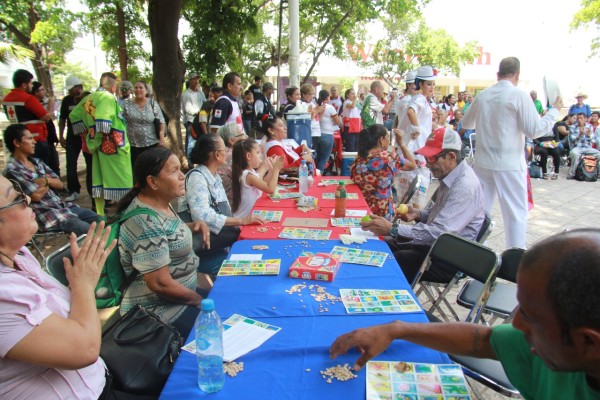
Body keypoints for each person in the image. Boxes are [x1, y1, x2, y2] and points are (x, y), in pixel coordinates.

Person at [331, 228, 600, 400]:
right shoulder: (553, 344)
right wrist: (396, 329)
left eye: (530, 317)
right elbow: (481, 340)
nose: (515, 323)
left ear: (588, 342)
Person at [0, 182, 117, 400]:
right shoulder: (3, 296)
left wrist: (80, 281)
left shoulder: (20, 256)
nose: (27, 199)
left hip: (100, 381)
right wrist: (83, 283)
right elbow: (85, 349)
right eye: (16, 198)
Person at [461, 57, 563, 248]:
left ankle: (470, 258)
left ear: (498, 75)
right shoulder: (518, 95)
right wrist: (554, 113)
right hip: (509, 164)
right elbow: (534, 129)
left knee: (478, 214)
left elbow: (466, 123)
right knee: (515, 214)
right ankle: (515, 260)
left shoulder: (484, 95)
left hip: (483, 162)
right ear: (517, 75)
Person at [360, 128, 484, 283]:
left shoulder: (464, 186)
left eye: (431, 159)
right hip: (433, 248)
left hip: (447, 259)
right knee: (377, 245)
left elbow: (440, 233)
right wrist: (419, 214)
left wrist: (393, 228)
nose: (427, 165)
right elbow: (438, 214)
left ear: (451, 157)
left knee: (392, 261)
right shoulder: (451, 176)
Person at [116, 147, 210, 337]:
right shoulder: (146, 223)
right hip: (161, 311)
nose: (182, 176)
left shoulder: (159, 203)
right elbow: (160, 283)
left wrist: (192, 225)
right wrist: (198, 300)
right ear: (152, 182)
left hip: (183, 293)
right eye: (174, 171)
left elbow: (166, 232)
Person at [182, 134, 265, 274]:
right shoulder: (197, 177)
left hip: (220, 243)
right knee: (249, 268)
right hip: (206, 250)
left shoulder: (213, 175)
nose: (227, 151)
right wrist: (240, 221)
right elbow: (201, 215)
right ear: (217, 154)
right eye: (224, 149)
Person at [3, 124, 100, 235]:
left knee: (101, 220)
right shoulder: (12, 170)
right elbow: (35, 196)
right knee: (89, 230)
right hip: (48, 216)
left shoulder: (37, 162)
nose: (34, 142)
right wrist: (49, 181)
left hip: (63, 208)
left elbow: (60, 184)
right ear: (16, 143)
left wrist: (45, 181)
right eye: (29, 138)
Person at [69, 72, 133, 216]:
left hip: (97, 148)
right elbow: (103, 121)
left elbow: (74, 115)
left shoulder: (89, 98)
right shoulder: (106, 97)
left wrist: (89, 134)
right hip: (115, 146)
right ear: (113, 86)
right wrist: (100, 135)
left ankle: (100, 216)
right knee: (123, 180)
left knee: (99, 180)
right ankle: (125, 214)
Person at [351, 124, 415, 220]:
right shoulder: (388, 157)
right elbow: (412, 165)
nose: (389, 141)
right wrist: (401, 143)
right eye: (388, 137)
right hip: (383, 212)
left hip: (360, 210)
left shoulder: (359, 158)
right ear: (381, 140)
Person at [2, 69, 52, 165]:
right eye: (30, 83)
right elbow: (46, 118)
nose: (32, 86)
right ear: (24, 85)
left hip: (18, 142)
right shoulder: (28, 98)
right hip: (35, 141)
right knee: (39, 170)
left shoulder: (6, 99)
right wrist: (50, 105)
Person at [231, 138, 283, 218]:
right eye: (258, 153)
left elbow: (264, 184)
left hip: (249, 216)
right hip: (242, 221)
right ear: (248, 156)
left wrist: (271, 169)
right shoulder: (248, 175)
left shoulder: (250, 172)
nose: (260, 157)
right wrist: (276, 170)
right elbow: (270, 189)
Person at [59, 75, 91, 202]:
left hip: (88, 138)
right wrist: (61, 136)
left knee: (91, 167)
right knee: (71, 165)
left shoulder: (89, 98)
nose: (69, 91)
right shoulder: (66, 101)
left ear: (79, 87)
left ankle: (92, 192)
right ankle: (74, 190)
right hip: (72, 138)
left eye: (71, 88)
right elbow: (62, 119)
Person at [122, 80, 165, 167]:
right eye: (136, 87)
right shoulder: (126, 104)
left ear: (146, 90)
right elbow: (118, 119)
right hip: (133, 144)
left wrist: (161, 138)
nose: (138, 90)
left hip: (151, 143)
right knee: (136, 169)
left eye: (141, 87)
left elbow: (161, 121)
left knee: (151, 168)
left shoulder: (152, 103)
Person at [31, 81, 60, 176]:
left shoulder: (46, 101)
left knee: (54, 163)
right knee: (45, 165)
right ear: (35, 92)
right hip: (41, 139)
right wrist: (50, 106)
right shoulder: (33, 104)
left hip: (49, 137)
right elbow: (46, 118)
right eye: (41, 90)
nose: (44, 91)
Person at [216, 123, 248, 204]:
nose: (246, 137)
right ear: (232, 141)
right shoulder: (233, 155)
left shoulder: (223, 153)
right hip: (233, 206)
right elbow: (252, 181)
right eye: (243, 134)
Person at [567, 112, 600, 179]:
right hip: (577, 147)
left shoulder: (589, 126)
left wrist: (588, 136)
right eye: (578, 118)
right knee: (574, 153)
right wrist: (580, 135)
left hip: (587, 147)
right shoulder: (572, 127)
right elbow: (573, 141)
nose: (579, 120)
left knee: (598, 154)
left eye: (581, 118)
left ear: (585, 119)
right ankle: (572, 173)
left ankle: (596, 172)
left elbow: (593, 140)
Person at [316, 89, 341, 173]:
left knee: (317, 158)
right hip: (327, 134)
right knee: (323, 159)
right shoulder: (330, 107)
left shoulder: (317, 106)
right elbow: (338, 122)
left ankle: (315, 174)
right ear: (327, 97)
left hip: (316, 134)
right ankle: (319, 177)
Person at [182, 72, 206, 156]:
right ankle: (190, 162)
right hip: (192, 121)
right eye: (194, 79)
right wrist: (200, 113)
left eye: (197, 79)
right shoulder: (186, 94)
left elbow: (205, 104)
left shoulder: (200, 93)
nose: (196, 81)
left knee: (202, 141)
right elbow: (188, 109)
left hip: (202, 120)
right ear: (190, 80)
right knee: (192, 142)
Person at [300, 83, 323, 150]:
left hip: (317, 131)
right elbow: (308, 118)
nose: (312, 96)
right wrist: (317, 111)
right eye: (309, 94)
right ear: (303, 94)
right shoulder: (302, 104)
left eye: (313, 94)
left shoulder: (312, 103)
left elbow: (317, 118)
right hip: (309, 132)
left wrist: (320, 111)